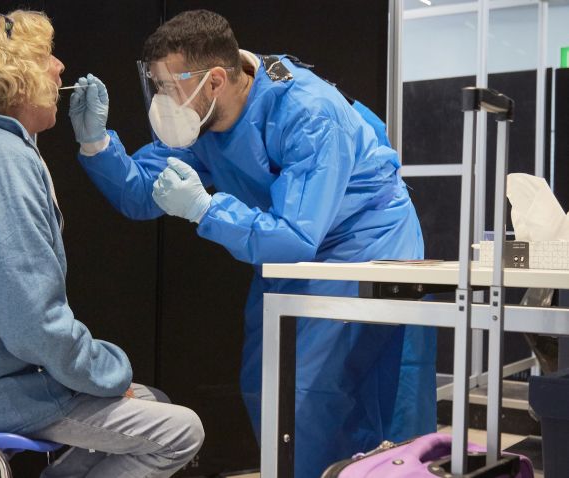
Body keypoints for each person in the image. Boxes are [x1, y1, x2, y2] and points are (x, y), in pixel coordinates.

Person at [68, 9, 436, 477]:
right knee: (269, 385)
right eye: (155, 85)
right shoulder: (199, 118)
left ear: (215, 80)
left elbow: (298, 234)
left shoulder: (308, 112)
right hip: (282, 244)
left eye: (167, 87)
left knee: (319, 390)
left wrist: (206, 209)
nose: (162, 100)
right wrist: (97, 145)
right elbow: (142, 193)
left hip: (364, 241)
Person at [0, 11, 204, 478]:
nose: (60, 68)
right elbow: (33, 321)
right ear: (13, 79)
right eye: (45, 58)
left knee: (152, 402)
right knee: (182, 431)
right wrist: (108, 372)